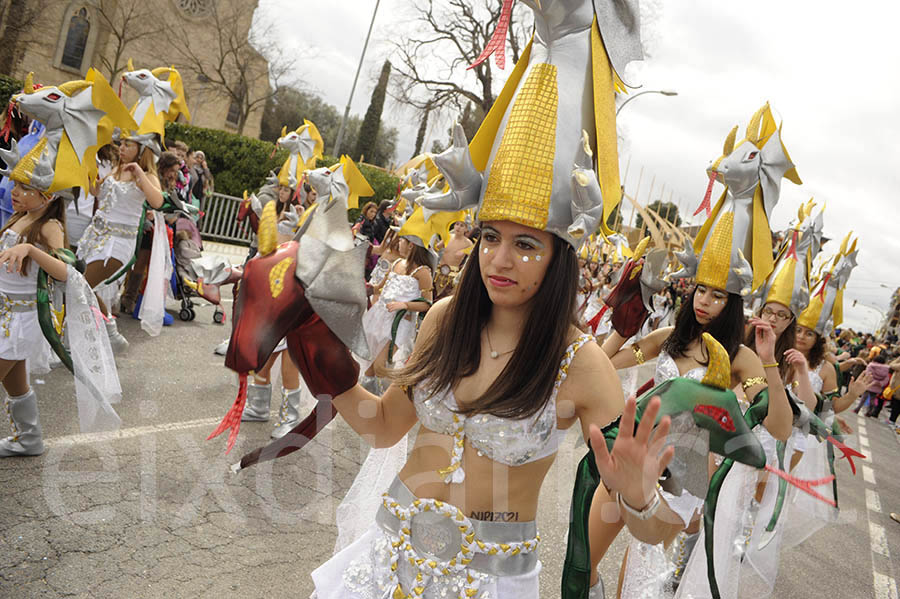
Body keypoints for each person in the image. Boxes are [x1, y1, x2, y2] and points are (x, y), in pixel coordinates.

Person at [77, 137, 164, 348]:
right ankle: (109, 331)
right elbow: (97, 191)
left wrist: (140, 173)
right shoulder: (117, 169)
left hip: (116, 244)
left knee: (79, 285)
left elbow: (157, 202)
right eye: (121, 143)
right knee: (80, 286)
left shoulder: (148, 176)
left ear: (142, 150)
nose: (121, 148)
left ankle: (91, 335)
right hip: (95, 237)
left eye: (128, 145)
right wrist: (86, 170)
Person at [432, 220, 473, 300]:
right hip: (438, 272)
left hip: (453, 277)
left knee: (445, 300)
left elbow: (471, 261)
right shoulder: (448, 237)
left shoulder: (468, 243)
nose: (458, 227)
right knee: (433, 295)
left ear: (466, 229)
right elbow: (435, 248)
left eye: (462, 225)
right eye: (457, 224)